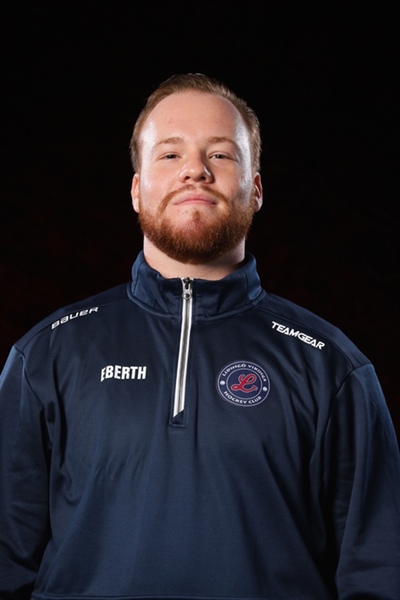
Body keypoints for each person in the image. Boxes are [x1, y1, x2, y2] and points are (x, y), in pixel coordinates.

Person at [0, 73, 399, 600]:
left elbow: (379, 570)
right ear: (137, 189)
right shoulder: (46, 354)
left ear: (255, 189)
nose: (196, 170)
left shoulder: (333, 366)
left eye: (221, 155)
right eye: (170, 155)